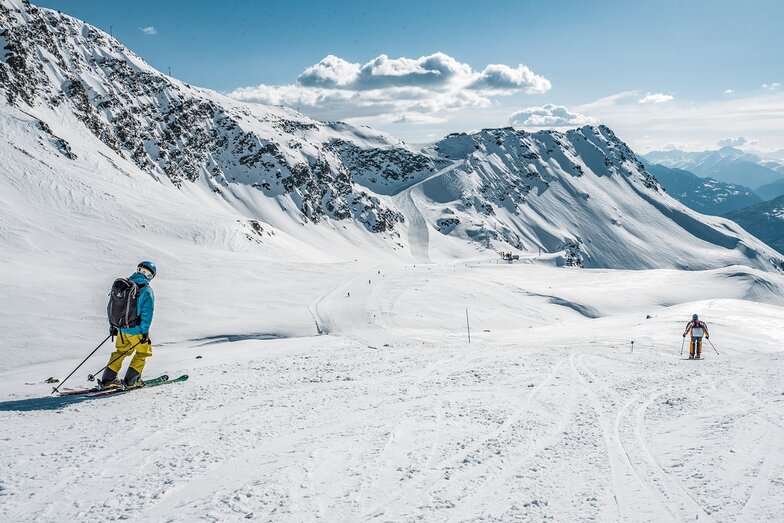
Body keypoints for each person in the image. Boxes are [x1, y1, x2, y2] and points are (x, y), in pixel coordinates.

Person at [100, 261, 156, 388]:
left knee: (121, 351)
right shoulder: (146, 290)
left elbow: (111, 307)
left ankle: (108, 380)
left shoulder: (123, 286)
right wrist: (145, 332)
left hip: (121, 329)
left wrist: (113, 326)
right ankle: (132, 381)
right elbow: (147, 313)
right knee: (143, 353)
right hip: (136, 330)